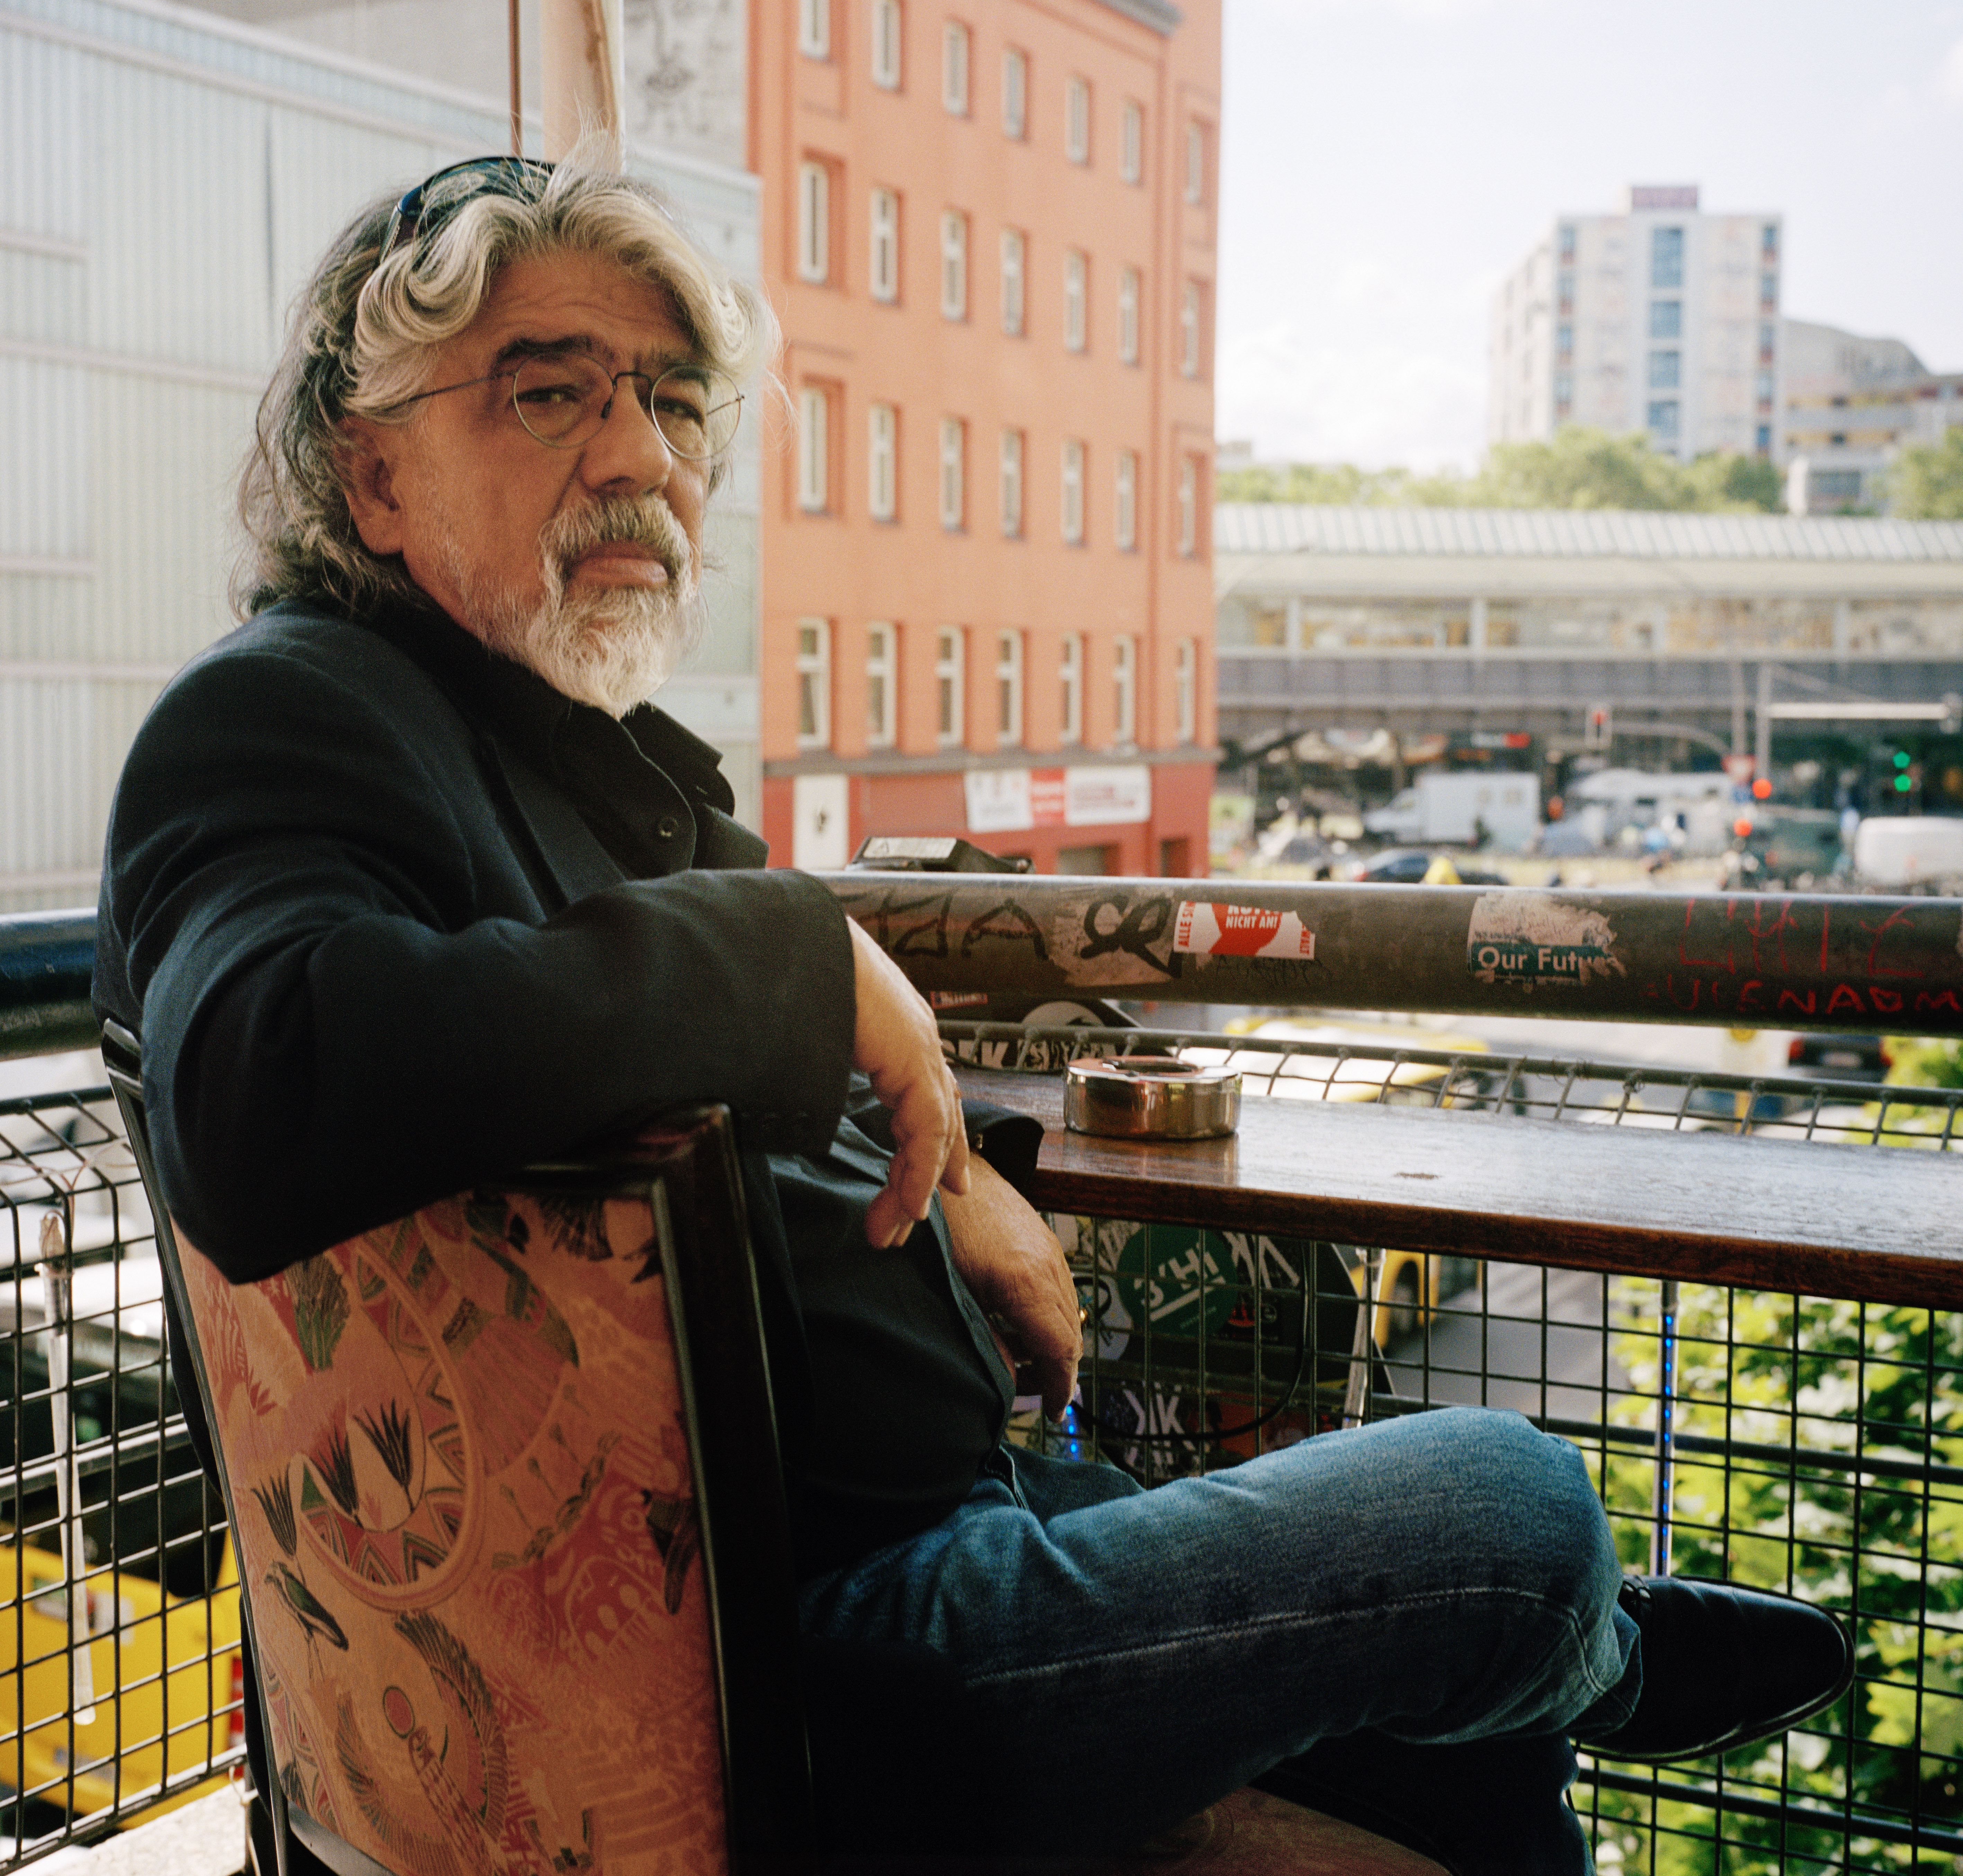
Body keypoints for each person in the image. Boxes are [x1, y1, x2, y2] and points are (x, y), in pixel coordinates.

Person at [94, 150, 1851, 1875]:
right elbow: (260, 1093)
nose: (640, 456)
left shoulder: (565, 747)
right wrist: (796, 948)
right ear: (374, 472)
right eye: (551, 393)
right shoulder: (282, 716)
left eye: (675, 404)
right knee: (1511, 1511)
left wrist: (967, 1172)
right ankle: (1600, 1643)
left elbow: (799, 1063)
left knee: (1473, 1776)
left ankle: (1555, 1679)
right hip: (797, 1675)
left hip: (914, 1552)